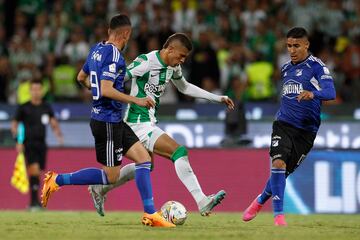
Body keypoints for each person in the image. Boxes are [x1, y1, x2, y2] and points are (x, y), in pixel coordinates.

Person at [40, 14, 175, 228]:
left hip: (112, 118)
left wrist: (97, 96)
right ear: (126, 34)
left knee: (143, 159)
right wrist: (136, 100)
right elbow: (105, 89)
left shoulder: (97, 49)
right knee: (110, 177)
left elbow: (81, 78)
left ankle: (151, 213)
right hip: (107, 122)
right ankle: (57, 180)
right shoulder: (114, 55)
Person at [88, 33, 234, 217]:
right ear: (170, 49)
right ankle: (202, 201)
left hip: (147, 121)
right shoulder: (146, 61)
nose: (181, 61)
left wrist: (217, 98)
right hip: (137, 122)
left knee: (146, 166)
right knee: (178, 152)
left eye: (185, 58)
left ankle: (99, 189)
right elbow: (119, 78)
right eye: (180, 56)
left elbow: (185, 87)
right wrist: (113, 98)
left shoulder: (172, 67)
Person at [242, 27, 336, 226]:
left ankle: (259, 200)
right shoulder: (285, 68)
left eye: (296, 46)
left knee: (282, 174)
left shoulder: (317, 67)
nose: (292, 50)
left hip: (307, 131)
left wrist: (313, 94)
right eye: (289, 46)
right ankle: (279, 217)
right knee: (278, 163)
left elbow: (330, 92)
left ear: (306, 45)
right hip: (283, 124)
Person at [11, 80, 64, 210]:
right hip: (28, 144)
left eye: (38, 89)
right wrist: (17, 140)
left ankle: (34, 202)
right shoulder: (24, 107)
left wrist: (58, 135)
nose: (36, 92)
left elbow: (53, 121)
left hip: (42, 144)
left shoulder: (46, 107)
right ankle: (34, 203)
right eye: (33, 89)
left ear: (41, 91)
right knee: (34, 170)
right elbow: (15, 124)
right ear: (30, 91)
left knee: (38, 173)